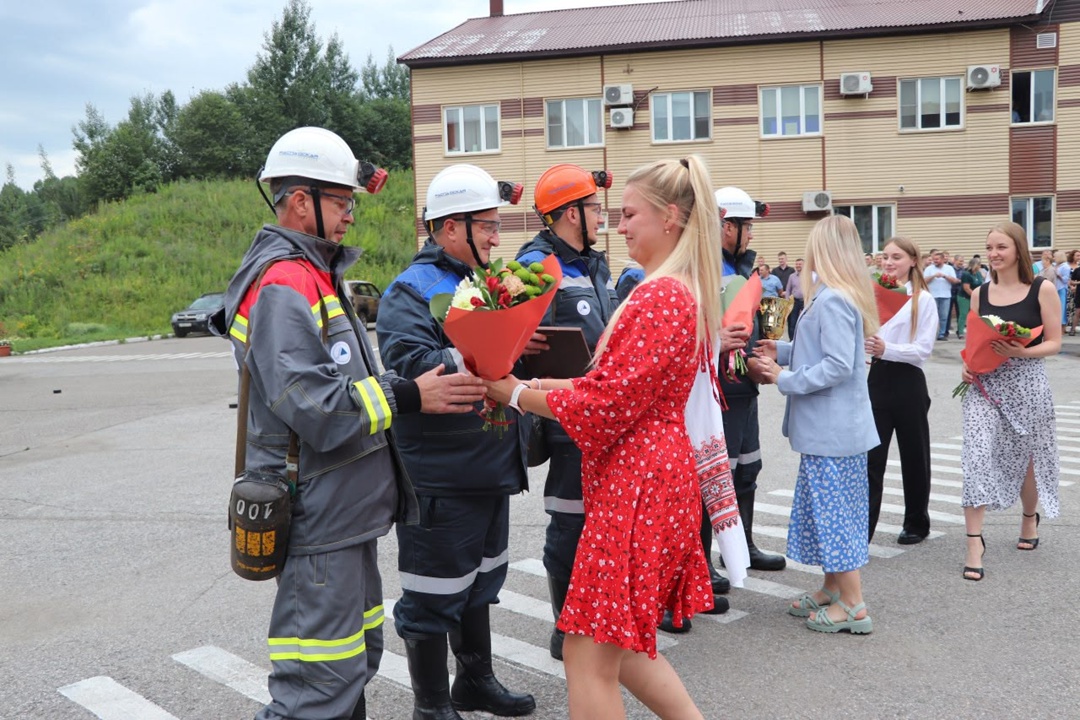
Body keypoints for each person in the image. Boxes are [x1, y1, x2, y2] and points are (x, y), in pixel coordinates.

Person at [221, 127, 486, 720]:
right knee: (314, 690)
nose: (349, 216)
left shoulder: (315, 274)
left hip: (344, 517)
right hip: (319, 518)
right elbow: (315, 406)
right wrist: (408, 395)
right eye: (340, 202)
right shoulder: (284, 282)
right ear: (298, 202)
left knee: (348, 670)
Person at [486, 155, 722, 719]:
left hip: (638, 483)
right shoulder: (675, 290)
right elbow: (614, 385)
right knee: (624, 643)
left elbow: (607, 403)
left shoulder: (659, 295)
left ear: (670, 218)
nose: (619, 226)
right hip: (649, 476)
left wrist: (512, 393)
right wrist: (535, 381)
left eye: (630, 214)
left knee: (586, 654)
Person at [377, 163, 536, 719]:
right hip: (442, 474)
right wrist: (480, 352)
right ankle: (431, 706)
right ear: (450, 228)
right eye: (487, 226)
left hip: (489, 463)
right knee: (431, 596)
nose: (498, 237)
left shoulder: (485, 283)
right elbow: (409, 365)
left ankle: (475, 682)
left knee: (479, 583)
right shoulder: (410, 290)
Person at [514, 164, 637, 662]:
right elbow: (521, 345)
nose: (601, 217)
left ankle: (596, 616)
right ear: (570, 214)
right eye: (593, 208)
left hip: (601, 414)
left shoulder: (592, 263)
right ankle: (566, 627)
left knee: (599, 524)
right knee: (569, 523)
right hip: (566, 418)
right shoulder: (538, 263)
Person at [754, 214, 880, 634]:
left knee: (836, 515)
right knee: (830, 512)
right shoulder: (831, 295)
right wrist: (784, 350)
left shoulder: (835, 299)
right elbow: (820, 350)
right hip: (831, 431)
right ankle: (833, 589)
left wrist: (783, 378)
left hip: (834, 432)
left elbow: (839, 365)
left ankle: (855, 605)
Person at [960, 221, 1062, 581]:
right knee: (975, 455)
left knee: (1027, 462)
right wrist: (966, 367)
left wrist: (1023, 350)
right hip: (985, 387)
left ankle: (1028, 519)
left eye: (1000, 247)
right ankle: (974, 543)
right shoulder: (980, 293)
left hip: (1028, 383)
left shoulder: (1042, 288)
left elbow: (1054, 342)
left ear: (1018, 249)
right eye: (989, 247)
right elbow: (974, 342)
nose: (993, 254)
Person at [712, 186, 787, 573]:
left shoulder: (743, 269)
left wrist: (765, 351)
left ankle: (741, 547)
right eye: (747, 226)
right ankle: (702, 562)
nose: (752, 235)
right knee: (713, 475)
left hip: (745, 387)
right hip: (719, 391)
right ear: (726, 226)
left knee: (748, 468)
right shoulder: (706, 268)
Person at [863, 237, 939, 544]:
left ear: (912, 261)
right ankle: (864, 526)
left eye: (896, 256)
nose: (889, 262)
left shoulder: (923, 300)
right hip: (878, 378)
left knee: (914, 455)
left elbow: (922, 350)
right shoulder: (873, 295)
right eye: (885, 256)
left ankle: (916, 522)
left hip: (908, 381)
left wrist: (887, 348)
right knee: (871, 457)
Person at [923, 249, 959, 340]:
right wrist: (933, 276)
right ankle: (932, 334)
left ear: (943, 260)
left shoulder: (949, 268)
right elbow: (923, 281)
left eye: (937, 259)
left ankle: (942, 334)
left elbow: (955, 281)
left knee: (944, 316)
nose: (935, 261)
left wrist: (944, 276)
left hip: (945, 295)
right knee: (932, 316)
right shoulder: (929, 269)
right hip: (932, 296)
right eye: (934, 259)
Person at [958, 256, 984, 339]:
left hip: (975, 296)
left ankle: (974, 331)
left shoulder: (978, 273)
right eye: (979, 265)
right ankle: (960, 332)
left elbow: (981, 283)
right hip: (964, 297)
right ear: (975, 265)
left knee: (975, 315)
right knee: (964, 314)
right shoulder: (966, 274)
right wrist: (974, 296)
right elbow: (966, 288)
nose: (980, 267)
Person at [785, 258, 805, 340]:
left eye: (800, 264)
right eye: (797, 264)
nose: (798, 266)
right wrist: (787, 301)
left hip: (805, 302)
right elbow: (788, 289)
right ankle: (792, 340)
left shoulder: (809, 276)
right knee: (792, 323)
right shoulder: (792, 276)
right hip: (794, 302)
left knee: (804, 322)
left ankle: (802, 340)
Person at [1053, 249, 1070, 331]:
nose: (1054, 258)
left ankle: (1062, 327)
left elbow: (1066, 280)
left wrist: (1058, 274)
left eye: (1055, 256)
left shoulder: (1065, 266)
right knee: (1056, 308)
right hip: (1055, 288)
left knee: (1062, 308)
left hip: (1061, 289)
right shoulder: (1056, 265)